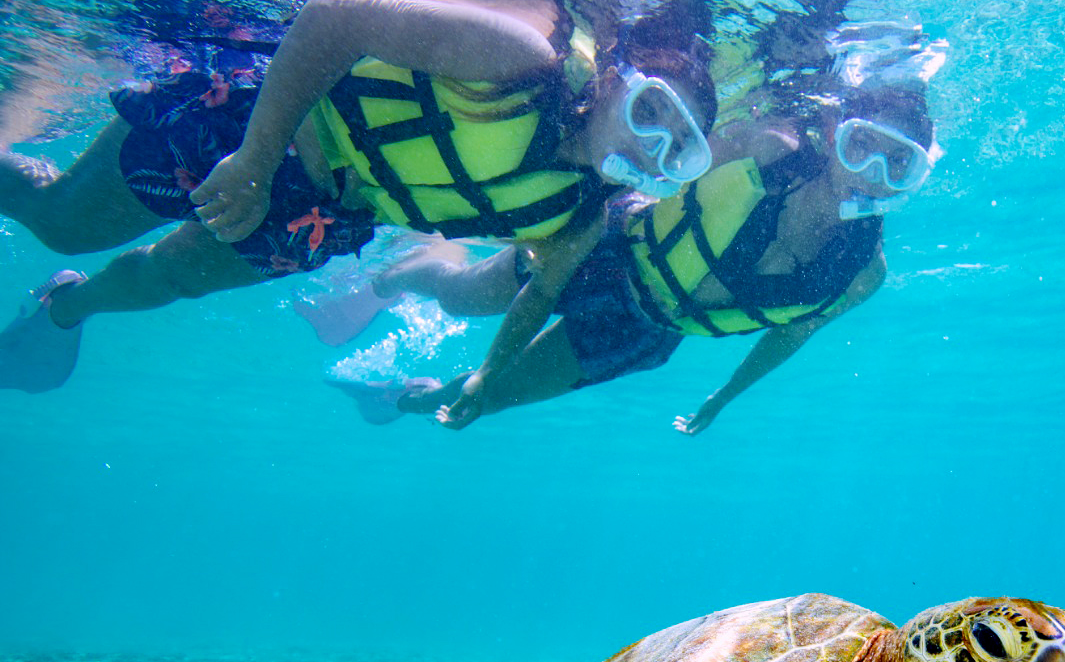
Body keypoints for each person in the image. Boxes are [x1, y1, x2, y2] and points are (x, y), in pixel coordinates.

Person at [0, 0, 716, 394]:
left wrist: (487, 381)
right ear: (620, 78)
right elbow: (337, 18)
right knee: (62, 221)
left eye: (672, 149)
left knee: (167, 278)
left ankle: (66, 305)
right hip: (267, 119)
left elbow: (535, 296)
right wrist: (252, 158)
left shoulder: (573, 215)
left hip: (327, 213)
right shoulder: (519, 57)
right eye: (649, 110)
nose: (646, 146)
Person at [324, 82, 937, 435]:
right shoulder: (765, 148)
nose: (871, 176)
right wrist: (566, 221)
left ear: (915, 176)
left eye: (897, 163)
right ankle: (399, 273)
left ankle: (399, 396)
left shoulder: (863, 275)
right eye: (861, 147)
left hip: (645, 330)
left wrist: (724, 396)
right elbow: (656, 159)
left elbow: (789, 336)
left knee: (491, 394)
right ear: (835, 138)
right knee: (461, 295)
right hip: (605, 248)